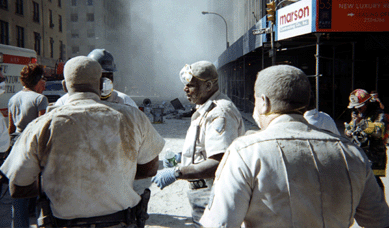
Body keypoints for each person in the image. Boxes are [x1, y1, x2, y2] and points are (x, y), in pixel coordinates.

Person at [200, 65, 389, 228]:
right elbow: (379, 220)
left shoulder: (245, 152)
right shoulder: (351, 153)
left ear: (264, 103)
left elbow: (219, 223)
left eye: (255, 100)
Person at [0, 56, 165, 227]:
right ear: (101, 83)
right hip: (120, 222)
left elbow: (18, 186)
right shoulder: (132, 117)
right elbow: (150, 168)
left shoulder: (42, 125)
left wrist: (56, 181)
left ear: (64, 85)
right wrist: (114, 174)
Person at [151, 61, 245, 226]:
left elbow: (219, 163)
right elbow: (206, 148)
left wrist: (177, 172)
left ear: (208, 85)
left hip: (213, 193)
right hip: (204, 191)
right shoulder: (205, 108)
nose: (185, 89)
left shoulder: (220, 113)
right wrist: (182, 157)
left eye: (191, 85)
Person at [7, 63, 48, 228]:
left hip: (17, 145)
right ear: (38, 81)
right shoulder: (40, 99)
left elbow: (11, 128)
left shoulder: (13, 98)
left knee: (19, 193)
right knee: (39, 192)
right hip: (33, 147)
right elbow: (42, 127)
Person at [55, 49, 137, 108]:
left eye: (109, 76)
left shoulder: (123, 101)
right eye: (101, 76)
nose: (105, 81)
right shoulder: (64, 102)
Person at [344, 89, 387, 189]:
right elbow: (351, 126)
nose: (357, 110)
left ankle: (378, 204)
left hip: (374, 156)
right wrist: (348, 131)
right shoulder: (357, 113)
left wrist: (362, 123)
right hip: (359, 154)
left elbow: (379, 132)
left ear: (367, 103)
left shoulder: (378, 114)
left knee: (374, 185)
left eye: (359, 107)